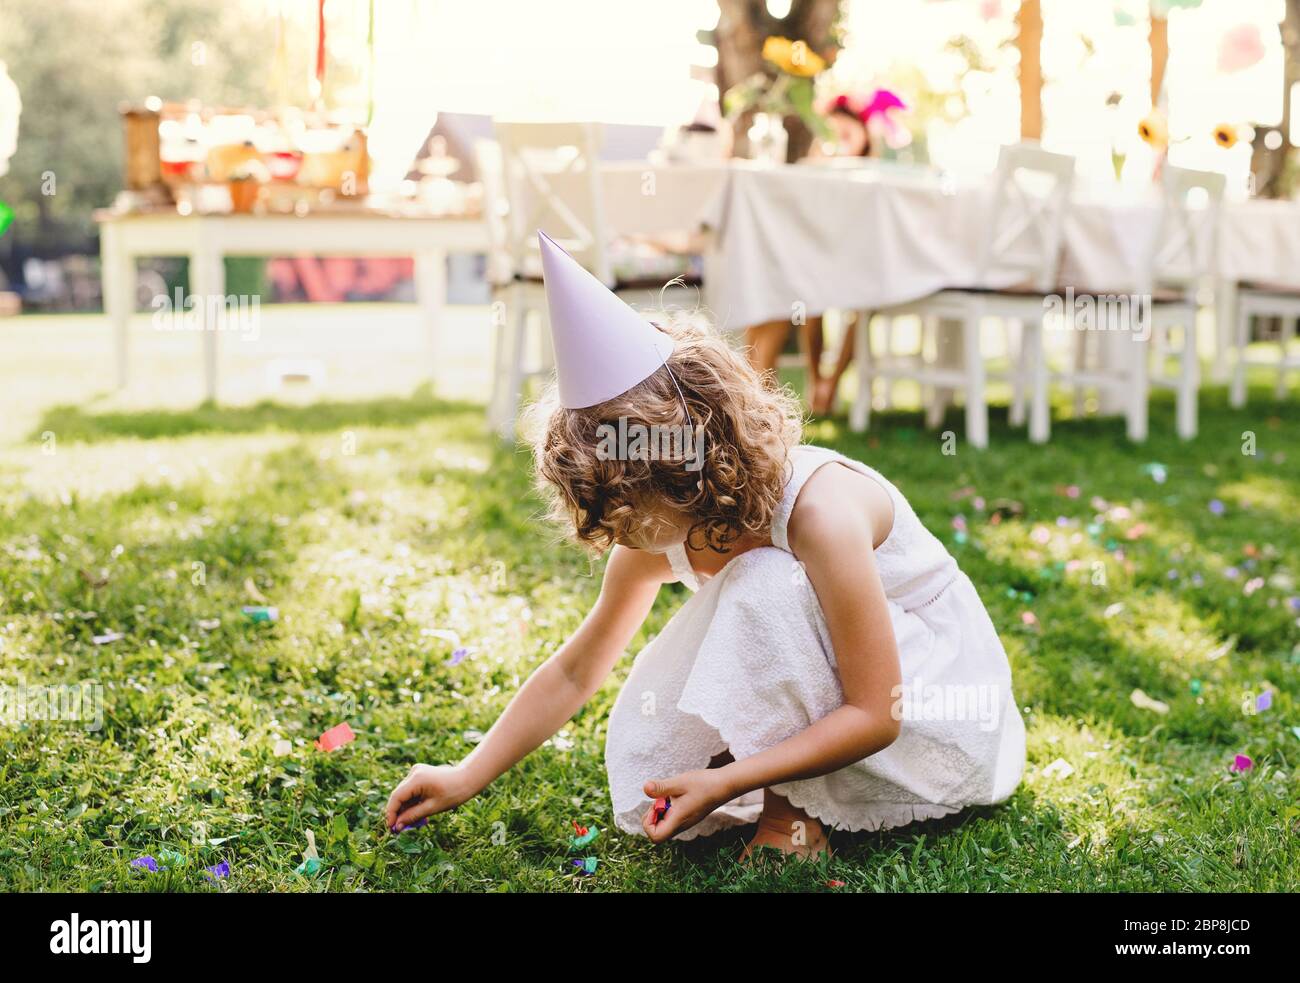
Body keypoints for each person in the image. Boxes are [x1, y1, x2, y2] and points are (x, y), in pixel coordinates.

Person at [384, 231, 1024, 859]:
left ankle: (791, 822)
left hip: (926, 705)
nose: (618, 533)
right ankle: (765, 773)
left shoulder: (822, 514)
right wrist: (467, 772)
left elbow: (876, 712)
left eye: (626, 513)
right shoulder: (654, 528)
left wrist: (729, 780)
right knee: (657, 753)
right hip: (853, 693)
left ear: (685, 473)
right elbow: (578, 668)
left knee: (764, 582)